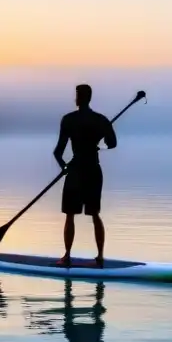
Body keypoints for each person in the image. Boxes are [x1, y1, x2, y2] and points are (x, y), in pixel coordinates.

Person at [53, 84, 116, 268]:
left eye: (77, 95)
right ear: (90, 98)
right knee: (95, 214)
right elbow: (112, 144)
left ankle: (67, 256)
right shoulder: (101, 120)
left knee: (70, 215)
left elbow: (58, 152)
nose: (76, 98)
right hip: (93, 170)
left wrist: (64, 167)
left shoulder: (68, 120)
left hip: (75, 171)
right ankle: (100, 257)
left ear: (78, 98)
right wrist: (99, 146)